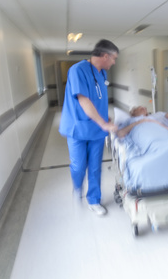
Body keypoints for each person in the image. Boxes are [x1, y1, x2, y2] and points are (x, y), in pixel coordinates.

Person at [59, 39, 119, 216]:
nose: (114, 62)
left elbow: (99, 99)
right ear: (105, 56)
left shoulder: (102, 74)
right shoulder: (77, 70)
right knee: (78, 166)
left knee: (94, 167)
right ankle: (77, 187)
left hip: (96, 131)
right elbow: (84, 99)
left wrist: (104, 116)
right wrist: (103, 123)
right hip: (77, 128)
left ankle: (94, 200)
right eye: (113, 58)